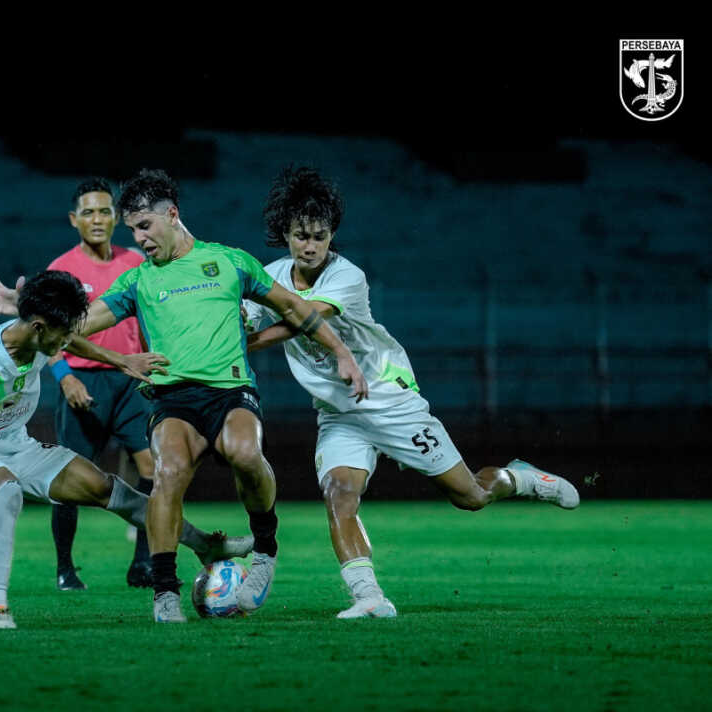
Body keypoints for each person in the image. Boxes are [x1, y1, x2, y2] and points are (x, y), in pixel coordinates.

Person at [0, 169, 367, 623]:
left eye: (144, 226)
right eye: (133, 230)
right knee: (168, 473)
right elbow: (78, 324)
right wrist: (29, 313)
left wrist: (343, 355)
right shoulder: (138, 282)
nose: (138, 238)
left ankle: (265, 549)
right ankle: (164, 591)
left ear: (172, 216)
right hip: (172, 399)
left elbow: (295, 308)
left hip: (230, 391)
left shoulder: (230, 262)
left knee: (244, 451)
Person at [242, 165, 580, 619]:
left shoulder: (348, 276)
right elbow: (246, 314)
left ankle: (518, 477)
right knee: (339, 493)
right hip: (339, 413)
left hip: (390, 401)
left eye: (319, 236)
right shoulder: (273, 274)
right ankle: (368, 597)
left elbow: (304, 317)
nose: (309, 245)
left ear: (332, 235)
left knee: (470, 498)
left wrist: (251, 340)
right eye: (301, 234)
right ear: (286, 233)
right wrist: (237, 325)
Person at [0, 270, 252, 629]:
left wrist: (122, 360)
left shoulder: (40, 338)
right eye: (61, 334)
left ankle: (202, 544)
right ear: (39, 327)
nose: (66, 343)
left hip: (15, 446)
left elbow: (74, 340)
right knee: (7, 490)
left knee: (106, 489)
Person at [45, 178, 157, 591]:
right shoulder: (62, 270)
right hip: (83, 385)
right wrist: (65, 376)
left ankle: (142, 563)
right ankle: (65, 569)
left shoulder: (136, 262)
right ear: (75, 219)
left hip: (129, 384)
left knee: (153, 468)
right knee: (69, 482)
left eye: (105, 211)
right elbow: (46, 334)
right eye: (88, 211)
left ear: (116, 218)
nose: (97, 219)